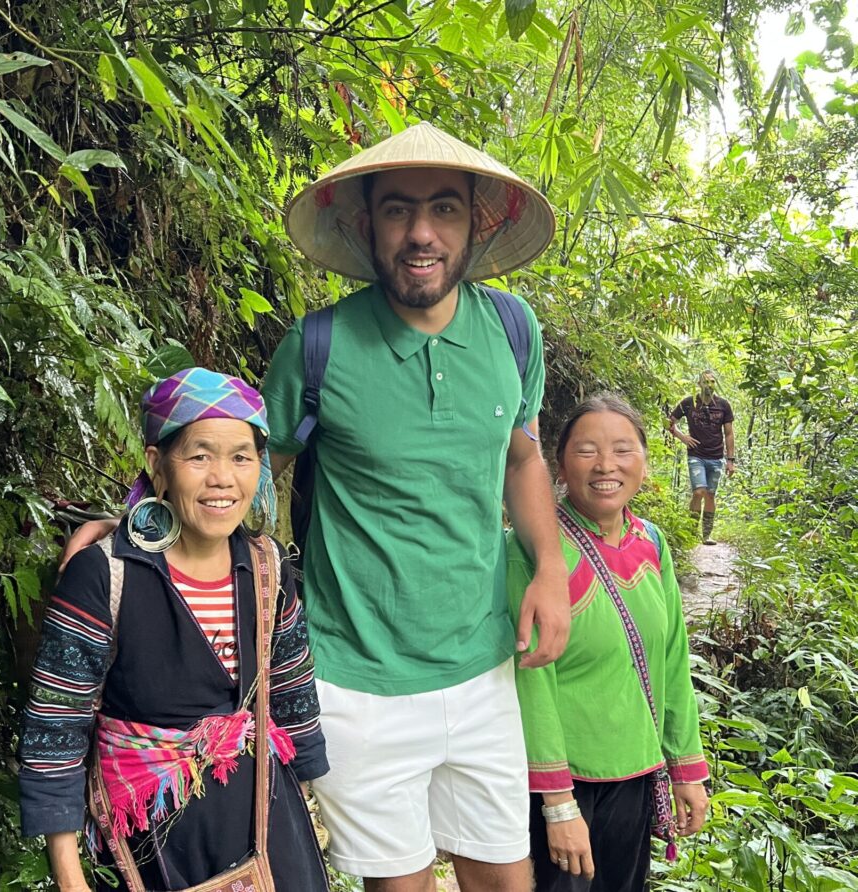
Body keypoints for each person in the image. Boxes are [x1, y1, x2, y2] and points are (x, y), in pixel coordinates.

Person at [65, 121, 571, 891]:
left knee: (506, 878)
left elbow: (524, 453)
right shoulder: (318, 346)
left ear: (479, 222)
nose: (423, 233)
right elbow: (241, 472)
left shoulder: (512, 330)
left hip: (483, 667)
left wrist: (550, 569)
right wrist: (135, 526)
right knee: (397, 883)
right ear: (366, 225)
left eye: (445, 209)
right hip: (353, 676)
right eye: (399, 210)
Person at [18, 368, 329, 891]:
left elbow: (294, 700)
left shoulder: (268, 566)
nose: (223, 479)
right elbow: (55, 732)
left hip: (268, 828)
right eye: (199, 455)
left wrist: (319, 818)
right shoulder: (106, 575)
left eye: (241, 457)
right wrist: (71, 879)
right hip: (154, 843)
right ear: (157, 465)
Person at [509, 394, 710, 891]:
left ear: (644, 460)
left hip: (637, 776)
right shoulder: (532, 548)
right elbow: (528, 679)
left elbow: (671, 659)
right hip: (562, 783)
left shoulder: (652, 543)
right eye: (586, 451)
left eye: (623, 449)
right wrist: (557, 805)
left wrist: (687, 767)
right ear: (558, 465)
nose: (606, 465)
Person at [668, 370, 735, 544]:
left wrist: (730, 460)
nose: (709, 385)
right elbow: (669, 422)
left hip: (716, 456)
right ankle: (691, 533)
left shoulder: (723, 405)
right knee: (699, 492)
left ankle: (706, 535)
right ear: (699, 384)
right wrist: (683, 437)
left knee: (710, 495)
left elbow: (728, 434)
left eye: (712, 382)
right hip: (696, 455)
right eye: (706, 382)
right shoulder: (689, 403)